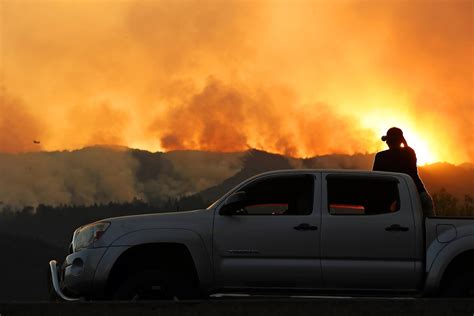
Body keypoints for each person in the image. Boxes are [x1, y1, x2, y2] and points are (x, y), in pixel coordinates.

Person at [373, 127, 435, 217]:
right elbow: (406, 148)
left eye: (387, 140)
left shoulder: (381, 156)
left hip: (398, 196)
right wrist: (403, 140)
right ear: (401, 140)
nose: (386, 142)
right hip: (419, 193)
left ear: (388, 142)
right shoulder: (409, 152)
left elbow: (376, 178)